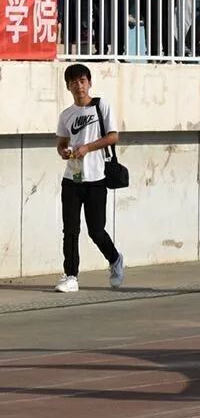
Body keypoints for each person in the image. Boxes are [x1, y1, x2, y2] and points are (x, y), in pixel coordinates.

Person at [53, 64, 126, 293]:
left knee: (96, 230)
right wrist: (64, 151)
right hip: (72, 179)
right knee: (70, 229)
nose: (79, 85)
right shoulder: (66, 115)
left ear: (89, 82)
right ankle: (71, 275)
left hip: (96, 177)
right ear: (68, 86)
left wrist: (88, 148)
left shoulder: (100, 106)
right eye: (74, 82)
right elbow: (61, 144)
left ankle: (115, 259)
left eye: (82, 80)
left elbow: (113, 137)